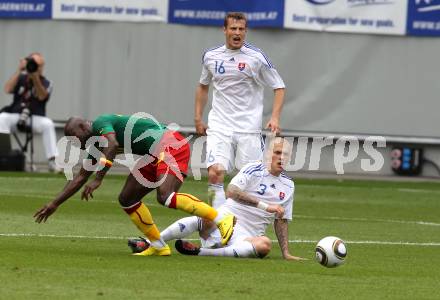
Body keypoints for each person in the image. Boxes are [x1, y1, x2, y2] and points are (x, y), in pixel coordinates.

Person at [33, 113, 236, 256]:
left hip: (170, 144)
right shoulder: (95, 145)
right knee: (127, 198)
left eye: (74, 136)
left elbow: (112, 145)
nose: (75, 142)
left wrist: (98, 179)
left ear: (84, 127)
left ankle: (221, 219)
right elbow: (79, 178)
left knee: (165, 196)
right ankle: (158, 245)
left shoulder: (101, 123)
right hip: (152, 153)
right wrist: (54, 203)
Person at [129, 137, 306, 260]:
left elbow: (281, 221)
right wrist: (265, 206)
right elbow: (232, 192)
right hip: (225, 219)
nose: (281, 157)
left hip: (247, 235)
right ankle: (149, 241)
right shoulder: (254, 169)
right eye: (277, 152)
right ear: (268, 154)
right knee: (207, 214)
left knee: (265, 245)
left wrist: (286, 253)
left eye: (285, 154)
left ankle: (201, 252)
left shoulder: (289, 185)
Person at [194, 12, 286, 209]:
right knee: (215, 172)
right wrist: (198, 118)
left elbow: (279, 86)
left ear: (245, 31)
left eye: (241, 29)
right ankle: (217, 224)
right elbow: (203, 86)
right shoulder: (211, 56)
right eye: (233, 29)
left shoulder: (256, 57)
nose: (237, 33)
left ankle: (241, 227)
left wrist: (275, 117)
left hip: (248, 128)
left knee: (248, 182)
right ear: (224, 30)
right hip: (220, 125)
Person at [0, 52, 59, 172]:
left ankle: (53, 161)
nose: (34, 66)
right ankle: (3, 156)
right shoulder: (21, 78)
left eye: (37, 64)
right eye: (32, 63)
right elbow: (7, 89)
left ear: (42, 67)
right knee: (2, 117)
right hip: (16, 114)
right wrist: (19, 70)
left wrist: (35, 78)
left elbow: (42, 97)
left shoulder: (46, 83)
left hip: (35, 117)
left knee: (48, 124)